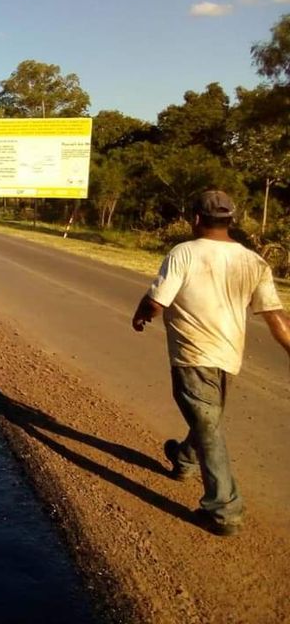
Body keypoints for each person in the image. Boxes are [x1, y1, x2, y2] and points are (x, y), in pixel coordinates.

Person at [131, 190, 290, 536]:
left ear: (197, 219)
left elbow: (157, 302)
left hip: (193, 356)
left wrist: (141, 315)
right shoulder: (253, 261)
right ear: (231, 220)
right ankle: (185, 459)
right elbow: (275, 316)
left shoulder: (184, 253)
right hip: (228, 357)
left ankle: (224, 510)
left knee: (209, 427)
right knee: (207, 421)